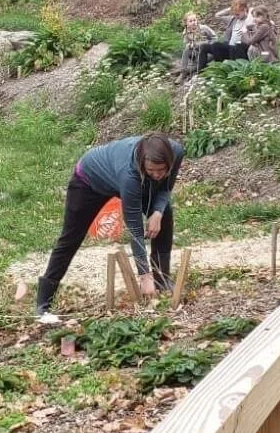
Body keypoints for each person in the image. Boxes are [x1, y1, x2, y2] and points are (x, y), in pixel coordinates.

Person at [35, 134, 185, 322]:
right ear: (142, 162)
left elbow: (164, 188)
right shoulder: (129, 174)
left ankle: (161, 280)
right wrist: (144, 276)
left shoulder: (176, 151)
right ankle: (43, 303)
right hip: (89, 181)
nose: (157, 175)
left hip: (129, 176)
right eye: (152, 170)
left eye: (162, 170)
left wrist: (157, 213)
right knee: (71, 237)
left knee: (165, 214)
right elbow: (135, 227)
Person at [198, 0, 251, 70]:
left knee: (228, 46)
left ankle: (222, 69)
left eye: (237, 14)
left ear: (244, 10)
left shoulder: (250, 19)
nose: (236, 16)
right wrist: (231, 8)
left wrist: (248, 11)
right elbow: (217, 15)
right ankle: (201, 72)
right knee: (206, 46)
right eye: (234, 14)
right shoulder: (233, 19)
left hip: (239, 49)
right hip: (229, 47)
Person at [177, 11, 216, 79]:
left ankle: (197, 70)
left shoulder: (203, 28)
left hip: (207, 53)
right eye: (190, 21)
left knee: (202, 49)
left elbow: (214, 37)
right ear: (186, 23)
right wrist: (189, 45)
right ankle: (183, 72)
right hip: (195, 54)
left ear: (197, 20)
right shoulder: (186, 32)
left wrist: (209, 44)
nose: (193, 22)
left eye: (194, 20)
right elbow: (185, 43)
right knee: (187, 50)